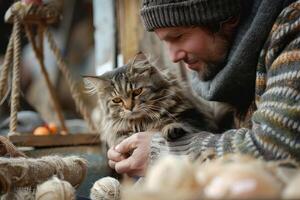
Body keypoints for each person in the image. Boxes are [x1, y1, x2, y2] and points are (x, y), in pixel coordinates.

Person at [108, 0, 300, 177]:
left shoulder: (293, 31)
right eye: (164, 42)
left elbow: (276, 146)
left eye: (178, 36)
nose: (173, 56)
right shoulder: (223, 67)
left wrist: (168, 152)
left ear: (226, 20)